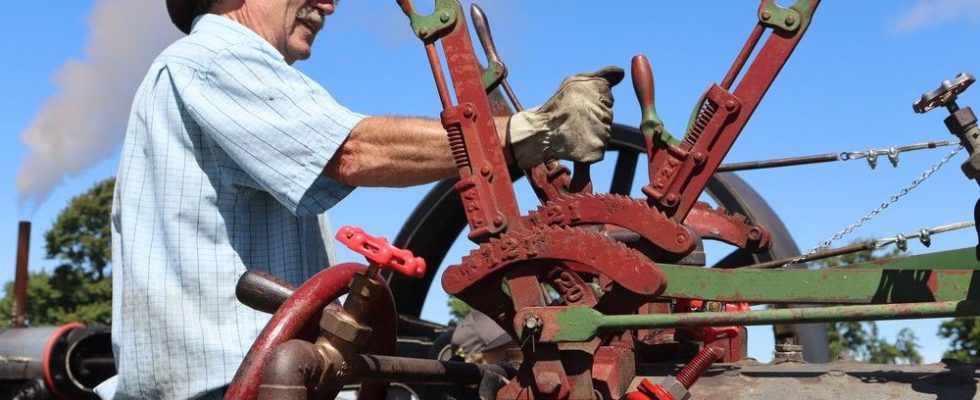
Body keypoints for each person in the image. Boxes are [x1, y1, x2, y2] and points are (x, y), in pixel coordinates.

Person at [104, 0, 623, 398]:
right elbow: (352, 150)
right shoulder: (213, 57)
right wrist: (529, 133)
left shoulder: (216, 70)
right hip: (233, 386)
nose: (329, 5)